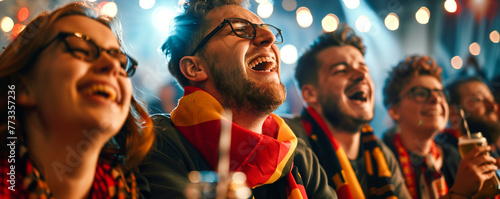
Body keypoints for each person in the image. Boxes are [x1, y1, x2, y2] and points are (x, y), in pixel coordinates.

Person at [137, 0, 336, 198]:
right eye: (240, 29)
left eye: (268, 31)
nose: (269, 38)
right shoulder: (157, 143)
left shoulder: (297, 154)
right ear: (195, 68)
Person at [0, 2, 154, 198]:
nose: (112, 65)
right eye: (81, 50)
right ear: (23, 87)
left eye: (120, 61)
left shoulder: (130, 190)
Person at [284, 24, 411, 198]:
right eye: (341, 70)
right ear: (310, 94)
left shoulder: (382, 155)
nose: (361, 75)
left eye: (364, 68)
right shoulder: (289, 141)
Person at [382, 55, 498, 198]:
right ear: (394, 110)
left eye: (440, 92)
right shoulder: (381, 159)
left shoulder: (454, 157)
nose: (436, 99)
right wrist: (460, 193)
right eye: (420, 93)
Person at [440, 77, 500, 149]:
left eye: (491, 98)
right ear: (453, 112)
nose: (493, 106)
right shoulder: (446, 154)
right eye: (477, 99)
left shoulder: (493, 149)